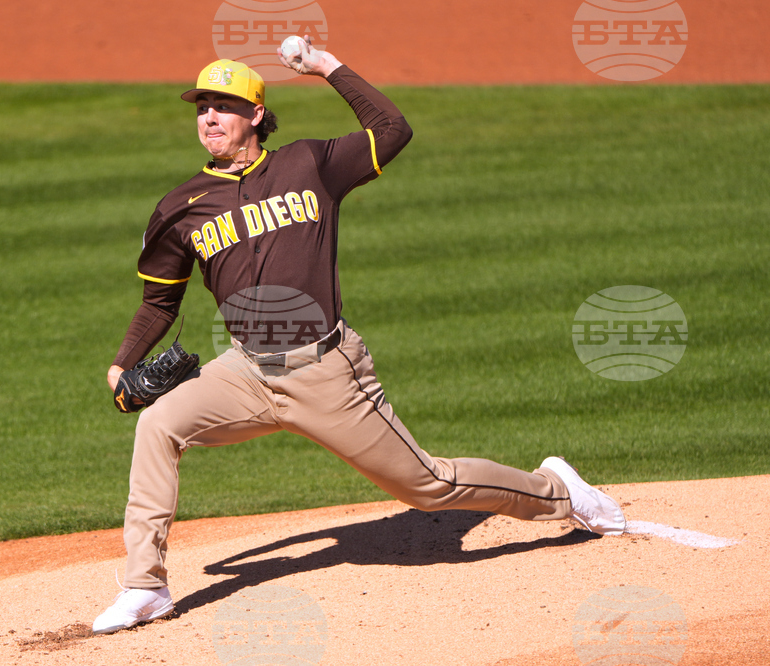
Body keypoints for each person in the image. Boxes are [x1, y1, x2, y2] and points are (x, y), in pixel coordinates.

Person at [93, 38, 626, 635]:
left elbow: (393, 129)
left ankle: (560, 492)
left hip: (325, 371)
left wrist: (325, 67)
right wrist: (121, 365)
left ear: (257, 116)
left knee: (429, 486)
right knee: (158, 424)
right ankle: (146, 587)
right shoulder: (180, 207)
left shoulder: (309, 164)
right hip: (244, 372)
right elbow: (158, 302)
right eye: (201, 107)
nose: (210, 117)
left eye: (225, 105)